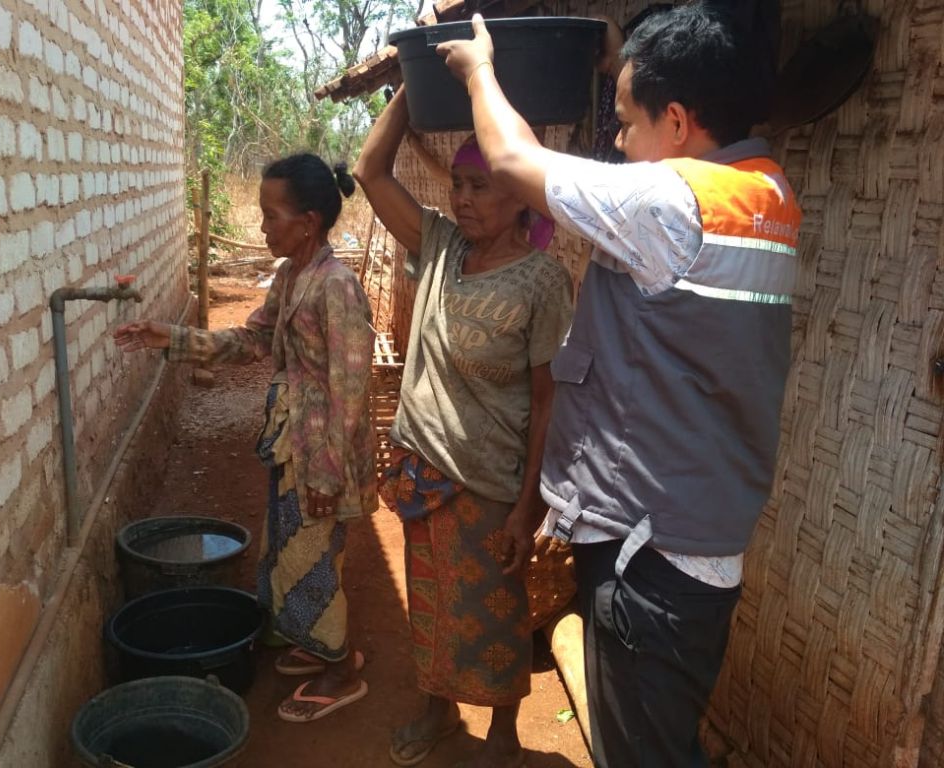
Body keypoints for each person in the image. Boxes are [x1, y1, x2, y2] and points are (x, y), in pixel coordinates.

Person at [438, 6, 801, 767]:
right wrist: (622, 63)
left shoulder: (669, 207)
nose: (618, 142)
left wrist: (478, 69)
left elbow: (509, 158)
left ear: (676, 120)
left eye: (628, 123)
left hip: (650, 561)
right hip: (700, 541)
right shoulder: (765, 198)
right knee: (660, 741)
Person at [114, 153, 378, 723]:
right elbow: (252, 341)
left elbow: (351, 392)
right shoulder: (292, 277)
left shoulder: (336, 286)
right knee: (288, 548)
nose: (262, 227)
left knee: (312, 558)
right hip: (294, 444)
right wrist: (174, 338)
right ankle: (319, 646)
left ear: (307, 221)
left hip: (321, 455)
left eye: (270, 215)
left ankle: (342, 672)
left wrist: (329, 474)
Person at [353, 88, 573, 768]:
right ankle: (437, 710)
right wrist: (409, 95)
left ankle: (503, 734)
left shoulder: (542, 281)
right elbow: (369, 173)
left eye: (482, 185)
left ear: (520, 197)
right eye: (458, 184)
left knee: (496, 612)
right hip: (423, 468)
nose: (464, 198)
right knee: (431, 604)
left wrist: (528, 505)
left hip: (491, 480)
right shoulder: (442, 246)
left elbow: (547, 401)